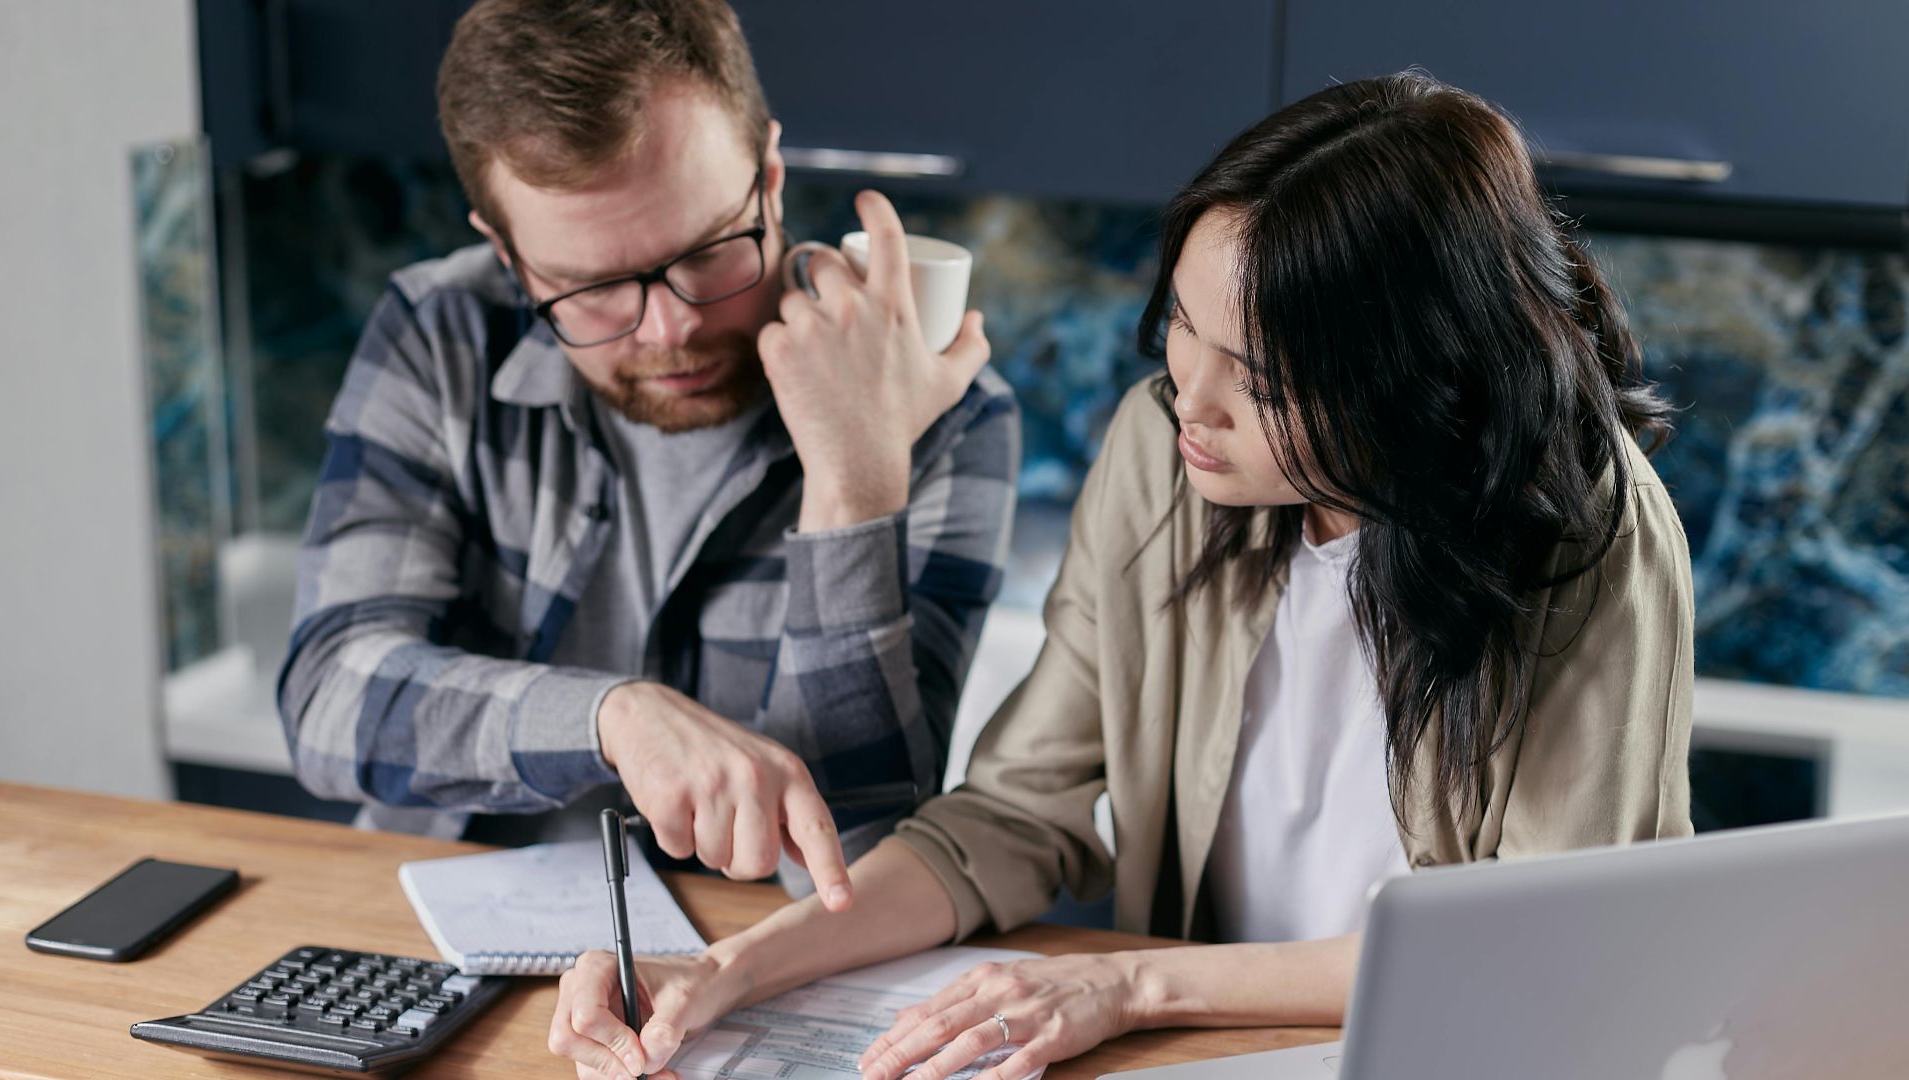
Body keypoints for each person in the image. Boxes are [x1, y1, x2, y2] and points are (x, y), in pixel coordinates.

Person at [546, 71, 1696, 1080]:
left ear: (1413, 380)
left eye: (1262, 380)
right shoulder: (1165, 455)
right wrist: (727, 970)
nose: (1188, 399)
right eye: (1184, 327)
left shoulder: (1592, 537)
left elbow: (1535, 950)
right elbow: (1007, 818)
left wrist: (1135, 988)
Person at [276, 0, 1020, 909]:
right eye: (589, 288)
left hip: (757, 968)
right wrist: (611, 719)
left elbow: (862, 863)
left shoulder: (944, 408)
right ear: (507, 257)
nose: (673, 329)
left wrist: (852, 487)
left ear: (771, 178)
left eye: (709, 252)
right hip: (444, 930)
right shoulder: (441, 334)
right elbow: (327, 700)